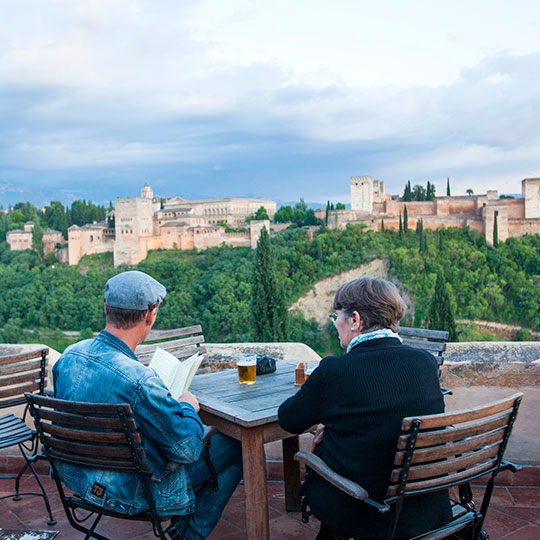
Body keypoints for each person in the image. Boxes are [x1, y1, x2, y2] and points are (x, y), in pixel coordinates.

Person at [53, 270, 242, 540]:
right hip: (133, 492)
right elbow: (187, 450)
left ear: (106, 308)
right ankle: (189, 535)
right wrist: (187, 407)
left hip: (78, 479)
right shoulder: (140, 380)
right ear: (149, 315)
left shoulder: (69, 356)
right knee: (236, 445)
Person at [278, 277, 451, 539]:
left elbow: (288, 420)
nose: (335, 324)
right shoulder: (425, 363)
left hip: (367, 511)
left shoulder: (334, 372)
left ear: (355, 321)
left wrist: (328, 424)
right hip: (426, 507)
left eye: (336, 316)